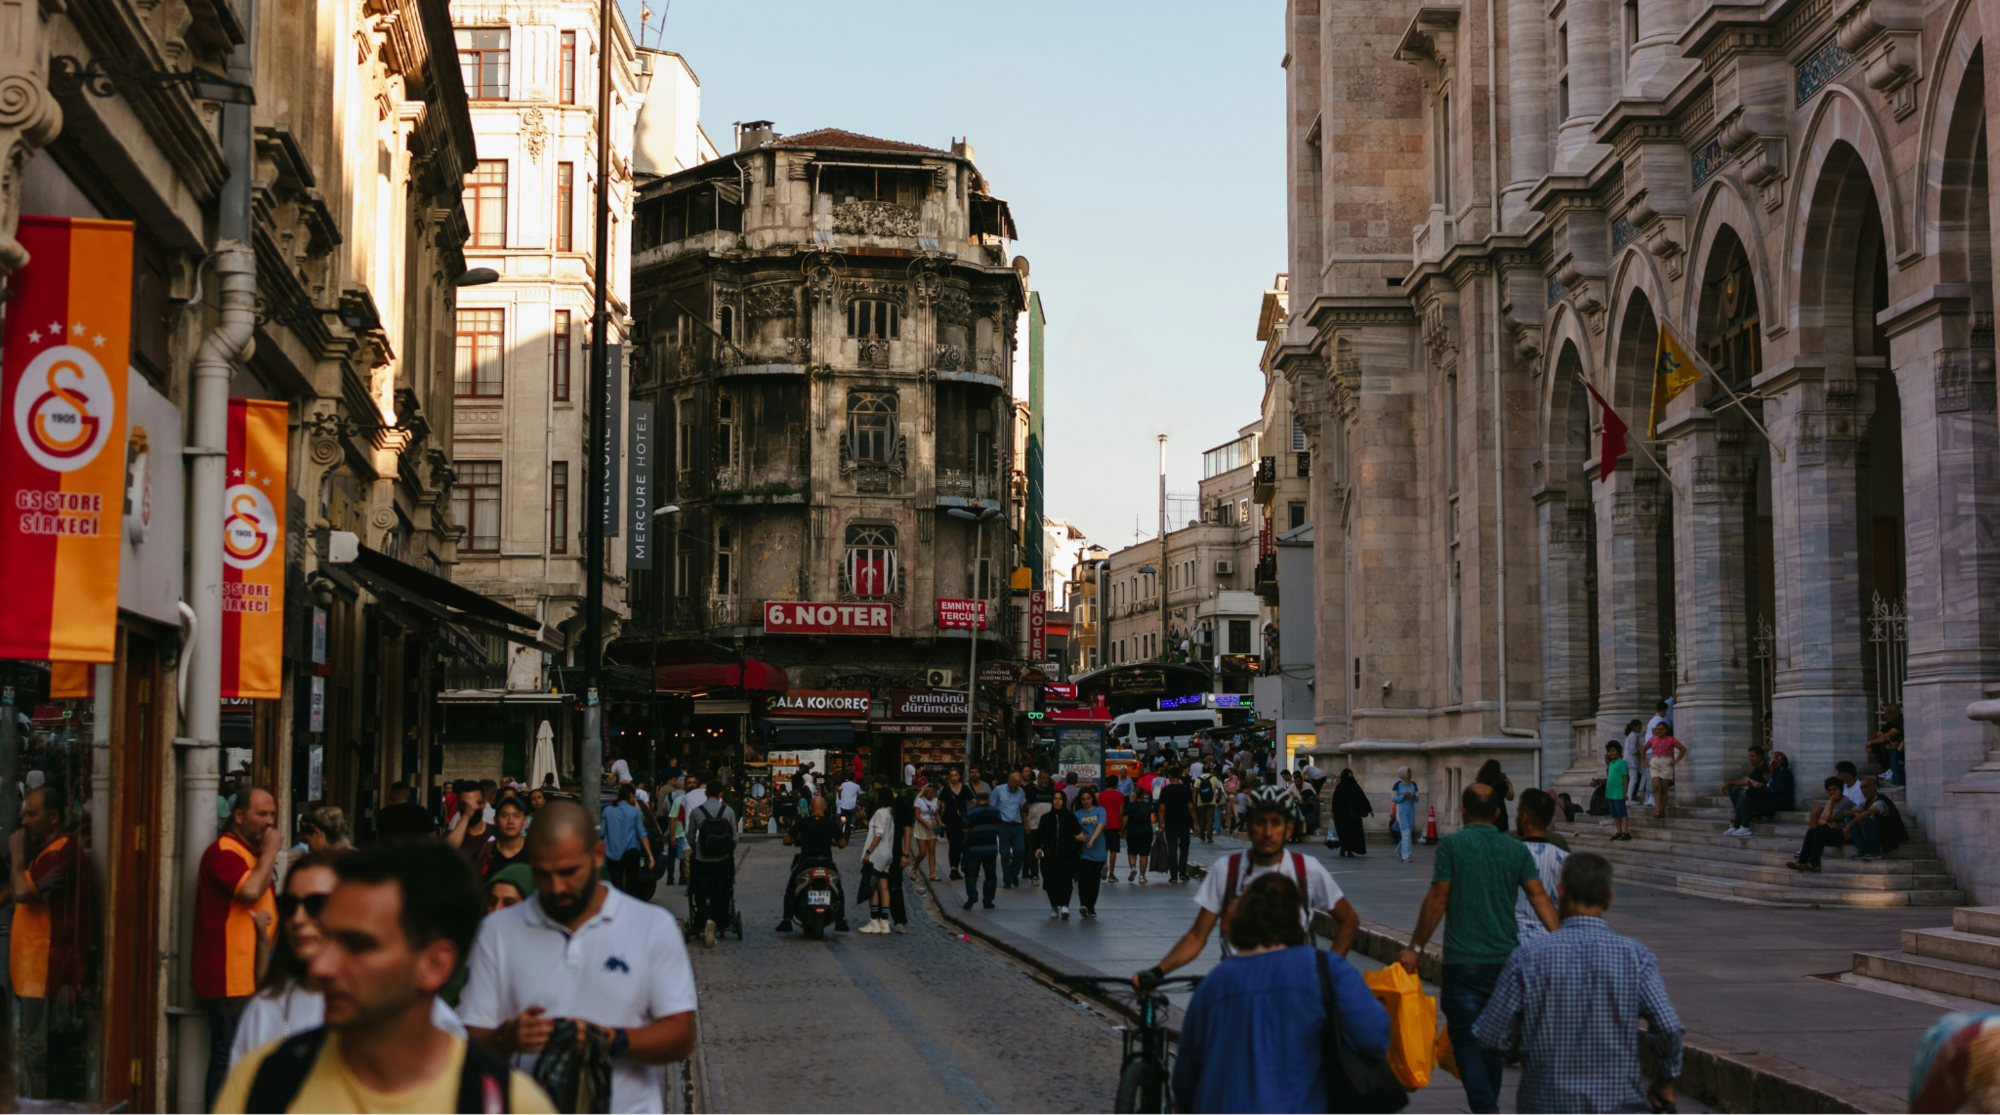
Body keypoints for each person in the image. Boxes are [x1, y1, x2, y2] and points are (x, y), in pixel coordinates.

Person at [460, 801, 698, 1113]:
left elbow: (681, 1034)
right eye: (543, 874)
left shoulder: (652, 926)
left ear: (598, 855)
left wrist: (609, 1039)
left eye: (568, 872)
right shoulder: (497, 930)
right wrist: (508, 1037)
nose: (556, 887)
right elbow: (466, 1039)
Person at [1474, 853, 1685, 1113]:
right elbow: (1668, 1026)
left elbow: (1490, 1036)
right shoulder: (1636, 957)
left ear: (1560, 892)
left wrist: (1520, 1046)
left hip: (1544, 1104)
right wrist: (1664, 1080)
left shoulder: (1528, 957)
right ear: (1608, 900)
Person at [1397, 784, 1561, 1114]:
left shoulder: (1452, 845)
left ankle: (1486, 1108)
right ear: (1499, 813)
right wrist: (1564, 941)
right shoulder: (1515, 850)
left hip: (1463, 963)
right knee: (1494, 1044)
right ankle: (1488, 1106)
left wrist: (1415, 947)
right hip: (1505, 965)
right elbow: (1539, 897)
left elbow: (1438, 898)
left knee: (1467, 1042)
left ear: (1463, 812)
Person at [1171, 874, 1390, 1114]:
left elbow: (1186, 1074)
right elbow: (1374, 1037)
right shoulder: (1328, 971)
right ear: (1296, 920)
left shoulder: (1215, 984)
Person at [229, 848, 470, 1067]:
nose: (298, 919)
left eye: (316, 904)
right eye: (289, 905)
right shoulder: (265, 1009)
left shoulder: (416, 1013)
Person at [1138, 787, 1361, 986]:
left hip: (1293, 989)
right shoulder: (1227, 870)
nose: (1267, 831)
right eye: (1260, 822)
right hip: (1239, 988)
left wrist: (1329, 972)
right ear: (1249, 826)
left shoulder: (1306, 870)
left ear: (1289, 829)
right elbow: (1197, 936)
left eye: (1276, 823)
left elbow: (1349, 920)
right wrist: (1158, 972)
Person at [195, 784, 284, 1109]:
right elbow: (249, 891)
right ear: (238, 816)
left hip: (253, 974)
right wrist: (272, 852)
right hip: (230, 977)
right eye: (262, 814)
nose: (269, 822)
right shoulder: (224, 850)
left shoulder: (251, 852)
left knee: (247, 1054)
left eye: (273, 814)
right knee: (228, 1056)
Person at [10, 782, 91, 1100]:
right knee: (37, 1049)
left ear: (53, 816)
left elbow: (20, 891)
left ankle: (39, 1107)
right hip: (37, 968)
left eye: (31, 814)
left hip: (42, 969)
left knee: (35, 1051)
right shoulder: (49, 850)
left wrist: (18, 857)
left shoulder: (59, 851)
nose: (24, 822)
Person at [776, 795, 849, 934]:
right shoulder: (830, 823)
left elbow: (786, 840)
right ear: (825, 808)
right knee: (838, 888)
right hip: (827, 863)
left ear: (809, 808)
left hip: (807, 863)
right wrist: (833, 842)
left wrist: (793, 840)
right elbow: (843, 844)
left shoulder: (803, 822)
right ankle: (840, 920)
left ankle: (786, 920)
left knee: (791, 887)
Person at [1511, 789, 1570, 945]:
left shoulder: (1505, 856)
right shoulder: (1566, 860)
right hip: (1551, 944)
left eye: (1518, 812)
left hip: (1512, 944)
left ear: (1524, 816)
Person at [685, 776, 736, 943]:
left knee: (699, 892)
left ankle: (706, 920)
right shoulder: (728, 812)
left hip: (702, 859)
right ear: (721, 794)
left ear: (706, 793)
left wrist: (695, 850)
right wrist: (729, 853)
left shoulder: (697, 812)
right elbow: (735, 838)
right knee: (719, 891)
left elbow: (690, 837)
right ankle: (716, 920)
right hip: (722, 860)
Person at [1786, 776, 1860, 872]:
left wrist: (1831, 803)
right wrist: (1828, 823)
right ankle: (1802, 861)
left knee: (1819, 832)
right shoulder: (1830, 802)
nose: (1832, 792)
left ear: (1841, 790)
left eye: (1835, 789)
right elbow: (1821, 820)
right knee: (1812, 832)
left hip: (1847, 835)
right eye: (1829, 790)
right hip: (1835, 833)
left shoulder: (1844, 802)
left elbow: (1828, 818)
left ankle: (1814, 864)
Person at [1037, 788, 1084, 919]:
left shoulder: (1070, 817)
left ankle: (1065, 905)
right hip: (1049, 857)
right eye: (1055, 799)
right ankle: (1054, 906)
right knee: (1050, 882)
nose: (1057, 802)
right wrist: (1038, 848)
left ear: (1064, 801)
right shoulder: (1046, 818)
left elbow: (1079, 834)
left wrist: (1077, 849)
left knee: (1066, 880)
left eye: (1060, 799)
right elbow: (1040, 836)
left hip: (1067, 855)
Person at [1725, 749, 1795, 836]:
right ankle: (1736, 826)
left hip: (1778, 803)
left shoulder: (1784, 773)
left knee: (1744, 796)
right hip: (1772, 801)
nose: (1768, 766)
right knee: (1743, 794)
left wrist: (1761, 786)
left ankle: (1744, 827)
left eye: (1770, 763)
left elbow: (1775, 790)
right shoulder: (1779, 773)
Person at [602, 783, 656, 895]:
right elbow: (642, 833)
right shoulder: (635, 811)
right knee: (631, 885)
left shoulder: (608, 810)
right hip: (631, 852)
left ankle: (617, 909)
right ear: (631, 795)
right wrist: (650, 855)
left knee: (616, 886)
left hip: (612, 853)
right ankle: (629, 907)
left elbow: (601, 832)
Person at [859, 788, 900, 934]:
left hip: (877, 853)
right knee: (884, 886)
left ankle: (874, 922)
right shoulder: (890, 813)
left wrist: (869, 852)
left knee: (872, 887)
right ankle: (884, 922)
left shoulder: (879, 813)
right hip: (888, 852)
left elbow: (878, 834)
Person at [960, 790, 1004, 910]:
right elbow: (998, 826)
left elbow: (964, 830)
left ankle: (972, 895)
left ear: (977, 801)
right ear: (988, 800)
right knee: (990, 875)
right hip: (991, 848)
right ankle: (988, 901)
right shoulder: (995, 811)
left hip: (974, 848)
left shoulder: (971, 812)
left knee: (971, 874)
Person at [478, 795, 531, 881]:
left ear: (524, 820)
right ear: (495, 820)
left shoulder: (534, 853)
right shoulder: (485, 853)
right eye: (504, 815)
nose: (510, 821)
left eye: (516, 815)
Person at [1158, 768, 1197, 883]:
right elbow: (1191, 807)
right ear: (1180, 775)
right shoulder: (1186, 789)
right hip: (1185, 822)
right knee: (1184, 847)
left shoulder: (1165, 790)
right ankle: (1183, 873)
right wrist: (1196, 823)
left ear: (1169, 776)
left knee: (1172, 847)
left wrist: (1161, 824)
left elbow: (1161, 809)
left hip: (1170, 822)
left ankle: (1174, 875)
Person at [991, 772, 1029, 887]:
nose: (1017, 787)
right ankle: (1007, 879)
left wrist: (1026, 824)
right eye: (1015, 784)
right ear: (1009, 781)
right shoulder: (998, 790)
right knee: (1004, 853)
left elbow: (1023, 809)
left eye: (1019, 784)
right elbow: (992, 807)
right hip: (1003, 825)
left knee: (1020, 849)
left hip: (1017, 825)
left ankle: (1014, 872)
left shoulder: (1021, 792)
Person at [1074, 787, 1108, 917]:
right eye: (1083, 799)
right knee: (1085, 879)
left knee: (1095, 881)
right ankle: (1083, 904)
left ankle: (1091, 906)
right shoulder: (1077, 814)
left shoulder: (1100, 811)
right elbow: (1073, 831)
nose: (1086, 801)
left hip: (1098, 851)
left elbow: (1101, 825)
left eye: (1088, 798)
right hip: (1084, 853)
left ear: (1092, 799)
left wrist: (1092, 839)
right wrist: (1077, 838)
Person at [445, 782, 494, 869]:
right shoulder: (450, 835)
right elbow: (445, 853)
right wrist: (466, 816)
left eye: (475, 803)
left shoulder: (495, 832)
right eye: (465, 805)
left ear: (484, 804)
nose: (470, 809)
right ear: (458, 806)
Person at [1592, 740, 1632, 841]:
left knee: (1622, 813)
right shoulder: (1611, 764)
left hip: (1619, 792)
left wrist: (1625, 792)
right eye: (1609, 751)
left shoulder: (1622, 763)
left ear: (1618, 751)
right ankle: (1618, 832)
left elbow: (1625, 778)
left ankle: (1626, 832)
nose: (1611, 753)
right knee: (1614, 814)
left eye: (1613, 750)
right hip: (1610, 792)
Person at [1646, 722, 1688, 818]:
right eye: (1658, 729)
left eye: (1662, 729)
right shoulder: (1653, 739)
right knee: (1656, 787)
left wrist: (1676, 760)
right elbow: (1644, 749)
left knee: (1664, 788)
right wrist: (1643, 761)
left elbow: (1682, 749)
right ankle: (1657, 810)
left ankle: (1662, 810)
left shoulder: (1671, 739)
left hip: (1666, 762)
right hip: (1655, 761)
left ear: (1666, 730)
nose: (1660, 731)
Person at [1329, 768, 1372, 857]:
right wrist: (1333, 812)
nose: (1350, 777)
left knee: (1353, 832)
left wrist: (1369, 809)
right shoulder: (1340, 787)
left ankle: (1349, 850)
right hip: (1342, 815)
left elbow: (1362, 797)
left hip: (1353, 815)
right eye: (1348, 775)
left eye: (1351, 775)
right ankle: (1343, 848)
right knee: (1343, 832)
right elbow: (1335, 799)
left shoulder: (1355, 786)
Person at [938, 768, 971, 882]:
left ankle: (962, 865)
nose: (953, 777)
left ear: (959, 776)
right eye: (951, 775)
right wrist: (939, 819)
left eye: (955, 775)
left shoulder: (965, 788)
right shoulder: (946, 790)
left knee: (964, 844)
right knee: (954, 844)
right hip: (950, 820)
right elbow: (938, 804)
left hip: (963, 821)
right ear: (949, 777)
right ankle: (953, 869)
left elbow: (974, 800)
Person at [1124, 781, 1156, 883]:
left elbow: (1124, 820)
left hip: (1132, 831)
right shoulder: (1148, 806)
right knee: (1144, 854)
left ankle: (1133, 868)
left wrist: (1121, 830)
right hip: (1146, 831)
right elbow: (1152, 820)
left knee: (1132, 852)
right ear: (1143, 795)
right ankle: (1142, 877)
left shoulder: (1129, 806)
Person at [1867, 703, 1906, 785]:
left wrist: (1869, 743)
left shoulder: (1900, 721)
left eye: (1889, 713)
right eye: (1885, 713)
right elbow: (1878, 734)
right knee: (1877, 745)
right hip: (1894, 746)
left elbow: (1887, 736)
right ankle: (1887, 770)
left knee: (1883, 744)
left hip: (1901, 747)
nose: (1886, 716)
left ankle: (1890, 770)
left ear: (1896, 712)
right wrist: (1870, 744)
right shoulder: (1890, 723)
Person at [1096, 777, 1125, 884]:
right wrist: (1122, 828)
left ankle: (1104, 865)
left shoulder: (1101, 795)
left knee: (1104, 848)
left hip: (1103, 825)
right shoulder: (1120, 796)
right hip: (1115, 825)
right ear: (1116, 784)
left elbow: (1099, 810)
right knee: (1113, 850)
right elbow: (1121, 812)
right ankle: (1111, 874)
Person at [1474, 759, 1514, 833]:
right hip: (1500, 818)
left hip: (1484, 817)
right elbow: (1510, 797)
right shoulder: (1501, 784)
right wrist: (1510, 783)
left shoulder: (1480, 784)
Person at [913, 783, 941, 882]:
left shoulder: (935, 801)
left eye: (933, 793)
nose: (932, 795)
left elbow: (936, 814)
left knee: (932, 850)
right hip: (921, 825)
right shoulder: (919, 801)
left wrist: (940, 822)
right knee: (923, 852)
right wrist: (926, 823)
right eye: (930, 793)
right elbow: (917, 815)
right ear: (925, 793)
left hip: (932, 825)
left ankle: (932, 874)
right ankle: (915, 868)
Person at [1390, 767, 1419, 862]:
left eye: (1410, 772)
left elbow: (1417, 799)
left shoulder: (1413, 784)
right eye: (1408, 772)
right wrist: (1403, 796)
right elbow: (1394, 798)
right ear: (1403, 774)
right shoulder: (1398, 785)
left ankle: (1401, 850)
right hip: (1401, 811)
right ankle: (1406, 856)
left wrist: (1414, 797)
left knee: (1408, 832)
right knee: (1405, 831)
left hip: (1411, 811)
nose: (1410, 774)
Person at [1622, 717, 1650, 806]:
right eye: (1639, 726)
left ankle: (1640, 790)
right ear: (1635, 727)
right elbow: (1633, 750)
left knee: (1644, 772)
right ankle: (1629, 798)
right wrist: (1640, 754)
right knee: (1633, 778)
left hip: (1631, 760)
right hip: (1631, 760)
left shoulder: (1632, 735)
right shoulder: (1633, 735)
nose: (1641, 728)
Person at [1193, 766, 1222, 843]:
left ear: (1202, 771)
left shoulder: (1198, 779)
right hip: (1211, 802)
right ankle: (1209, 836)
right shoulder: (1214, 778)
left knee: (1202, 819)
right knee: (1210, 819)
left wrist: (1194, 801)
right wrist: (1218, 798)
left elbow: (1195, 791)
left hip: (1200, 802)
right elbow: (1219, 789)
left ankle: (1202, 836)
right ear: (1210, 770)